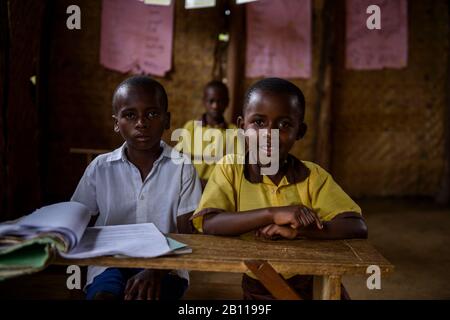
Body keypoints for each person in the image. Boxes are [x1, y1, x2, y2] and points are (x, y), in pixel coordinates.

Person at [191, 78, 367, 300]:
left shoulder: (312, 176)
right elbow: (210, 223)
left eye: (284, 124)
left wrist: (298, 231)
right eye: (259, 122)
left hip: (312, 285)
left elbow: (357, 226)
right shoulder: (230, 170)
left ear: (300, 131)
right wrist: (273, 214)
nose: (269, 134)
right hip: (258, 288)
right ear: (242, 126)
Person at [72, 76, 202, 300]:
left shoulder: (182, 168)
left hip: (166, 266)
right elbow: (74, 224)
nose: (141, 122)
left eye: (152, 114)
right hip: (109, 262)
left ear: (167, 119)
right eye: (130, 115)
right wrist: (72, 281)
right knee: (103, 296)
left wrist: (155, 270)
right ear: (116, 122)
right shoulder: (100, 168)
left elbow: (187, 234)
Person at [176, 80, 238, 187]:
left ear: (227, 102)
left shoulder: (234, 132)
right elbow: (178, 160)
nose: (215, 106)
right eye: (211, 101)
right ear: (204, 102)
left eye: (220, 101)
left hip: (219, 189)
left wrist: (210, 184)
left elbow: (235, 169)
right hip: (190, 186)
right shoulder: (191, 127)